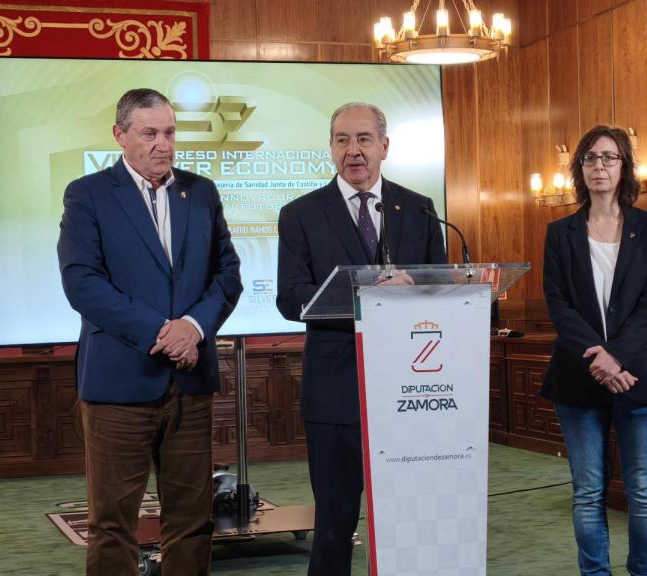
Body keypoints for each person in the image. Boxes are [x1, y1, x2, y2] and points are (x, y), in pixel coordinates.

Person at [57, 88, 242, 575]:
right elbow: (83, 283)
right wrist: (163, 331)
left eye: (170, 132)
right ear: (120, 135)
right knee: (112, 523)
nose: (164, 144)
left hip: (190, 382)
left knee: (191, 520)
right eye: (149, 133)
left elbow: (227, 275)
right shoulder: (88, 194)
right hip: (119, 383)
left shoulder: (200, 193)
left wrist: (193, 327)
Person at [276, 102, 447, 575]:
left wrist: (420, 291)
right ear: (330, 148)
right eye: (342, 140)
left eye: (364, 139)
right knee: (334, 521)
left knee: (409, 515)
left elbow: (441, 286)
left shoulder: (418, 209)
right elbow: (291, 299)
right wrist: (365, 292)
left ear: (384, 146)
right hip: (335, 389)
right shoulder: (300, 215)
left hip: (412, 385)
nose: (354, 151)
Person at [541, 125, 647, 576]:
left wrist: (615, 357)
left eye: (609, 158)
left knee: (643, 489)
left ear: (624, 167)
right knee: (587, 491)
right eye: (590, 159)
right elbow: (558, 303)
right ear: (579, 169)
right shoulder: (559, 232)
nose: (599, 166)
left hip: (641, 374)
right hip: (578, 376)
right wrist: (598, 358)